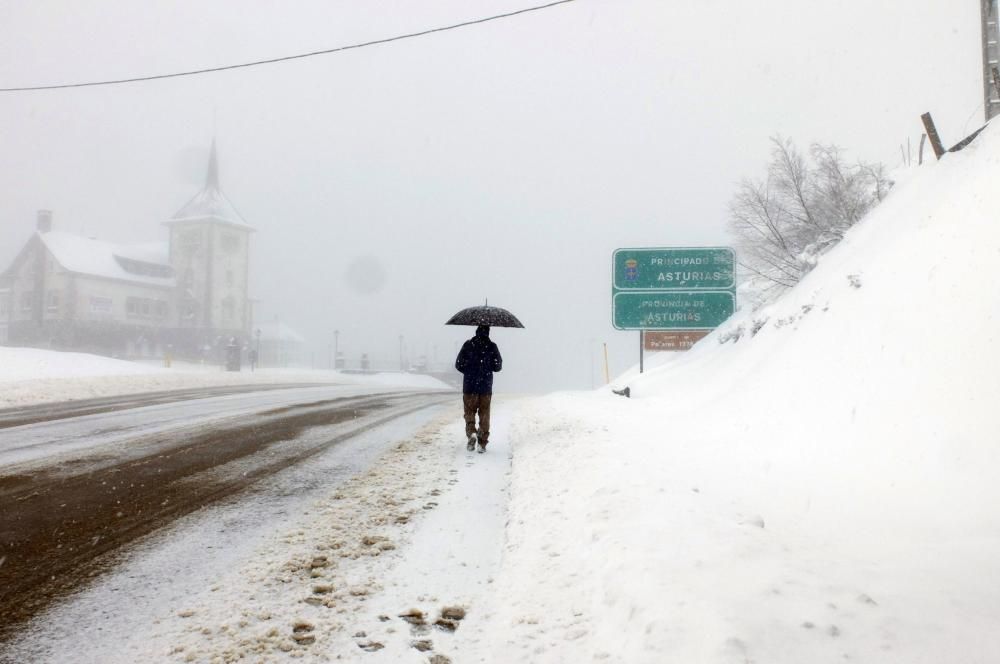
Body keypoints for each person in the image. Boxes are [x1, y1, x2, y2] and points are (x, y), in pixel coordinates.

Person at [455, 325, 502, 453]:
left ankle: (471, 434)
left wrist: (469, 371)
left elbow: (458, 364)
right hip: (485, 388)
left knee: (469, 413)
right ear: (488, 332)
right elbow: (498, 367)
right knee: (484, 415)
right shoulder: (492, 346)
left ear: (476, 331)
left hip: (469, 387)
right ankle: (482, 443)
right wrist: (487, 366)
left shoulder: (468, 345)